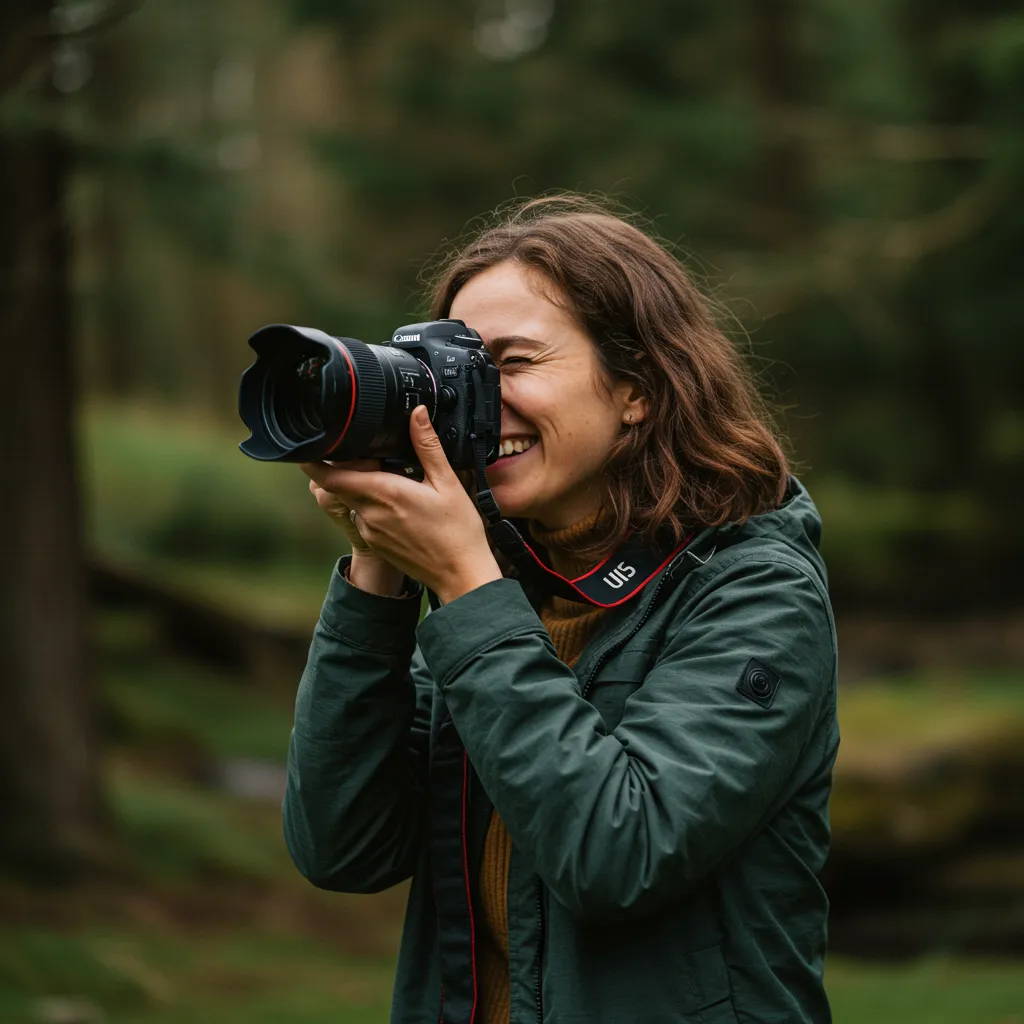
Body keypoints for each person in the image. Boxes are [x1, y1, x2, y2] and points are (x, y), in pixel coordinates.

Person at [284, 195, 839, 1024]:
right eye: (459, 370)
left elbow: (620, 854)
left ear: (637, 390)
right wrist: (379, 567)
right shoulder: (505, 578)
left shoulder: (755, 588)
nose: (476, 400)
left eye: (514, 363)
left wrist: (468, 587)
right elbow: (345, 847)